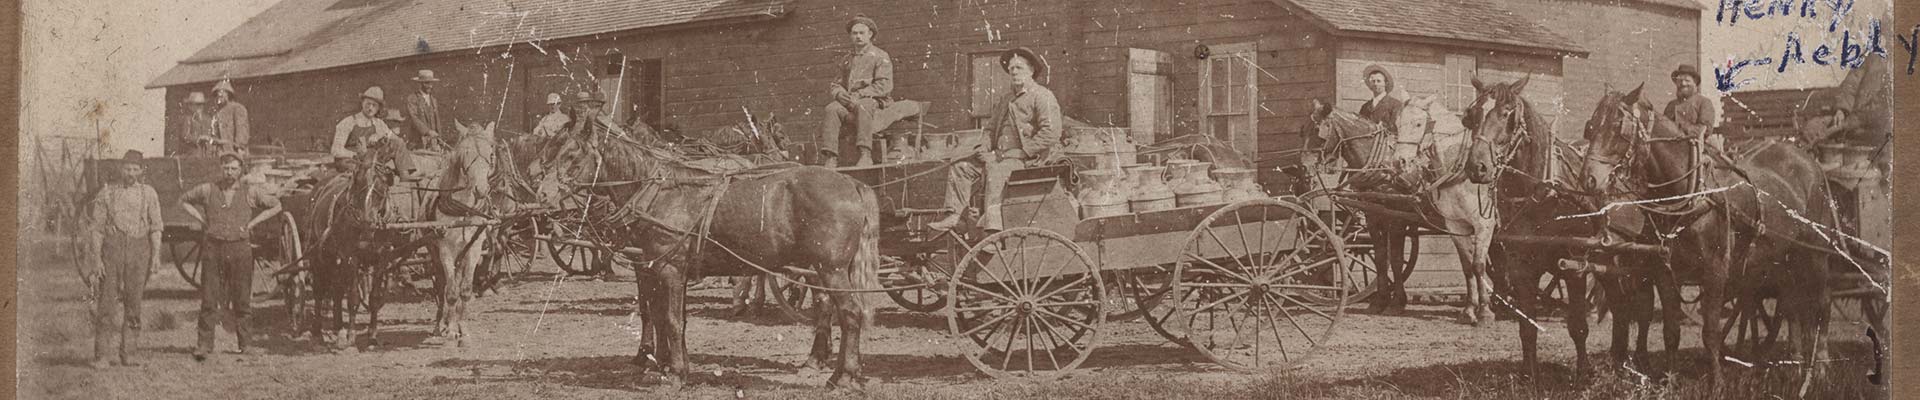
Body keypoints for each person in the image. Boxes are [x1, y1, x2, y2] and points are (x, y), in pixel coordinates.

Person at [928, 47, 1062, 232]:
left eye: (1019, 68)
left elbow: (1051, 132)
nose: (1014, 72)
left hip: (1029, 160)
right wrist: (984, 147)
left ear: (1031, 70)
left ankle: (993, 228)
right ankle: (955, 216)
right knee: (961, 167)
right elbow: (990, 129)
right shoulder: (1006, 99)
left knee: (996, 170)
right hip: (1000, 156)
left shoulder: (1042, 96)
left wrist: (1022, 152)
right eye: (1011, 68)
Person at [181, 153, 283, 362]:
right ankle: (204, 345)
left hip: (240, 249)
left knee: (242, 299)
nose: (229, 172)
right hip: (213, 248)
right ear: (221, 168)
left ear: (240, 170)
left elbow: (276, 205)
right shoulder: (208, 189)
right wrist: (201, 220)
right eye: (226, 168)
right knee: (209, 298)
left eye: (234, 169)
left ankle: (245, 344)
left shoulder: (250, 191)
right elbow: (184, 200)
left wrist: (252, 224)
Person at [86, 150, 164, 369]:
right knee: (106, 304)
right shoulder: (107, 193)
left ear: (141, 171)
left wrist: (156, 255)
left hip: (139, 250)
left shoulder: (149, 193)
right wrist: (97, 260)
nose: (131, 173)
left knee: (134, 303)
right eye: (127, 168)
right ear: (121, 169)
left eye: (135, 169)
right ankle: (102, 356)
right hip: (113, 250)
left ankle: (129, 353)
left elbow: (156, 227)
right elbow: (96, 229)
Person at [819, 15, 895, 167]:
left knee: (863, 105)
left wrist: (860, 95)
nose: (858, 37)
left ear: (870, 34)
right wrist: (839, 94)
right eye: (854, 33)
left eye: (861, 33)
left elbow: (884, 85)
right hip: (849, 101)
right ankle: (831, 156)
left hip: (874, 101)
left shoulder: (880, 56)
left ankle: (865, 153)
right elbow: (836, 84)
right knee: (831, 109)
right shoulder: (847, 59)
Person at [331, 86, 416, 178]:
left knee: (398, 143)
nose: (370, 108)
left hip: (370, 158)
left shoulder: (378, 123)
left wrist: (386, 139)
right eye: (368, 104)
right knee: (364, 172)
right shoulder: (348, 122)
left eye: (374, 105)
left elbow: (395, 139)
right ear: (362, 103)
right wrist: (355, 154)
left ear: (379, 108)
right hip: (351, 160)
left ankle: (405, 177)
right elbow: (335, 150)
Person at [1356, 65, 1412, 162]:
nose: (1376, 84)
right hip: (1367, 149)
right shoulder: (1365, 107)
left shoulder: (1395, 104)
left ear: (1385, 83)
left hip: (1386, 149)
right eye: (1373, 81)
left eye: (1379, 81)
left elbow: (1396, 128)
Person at [1664, 64, 1716, 141]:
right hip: (1672, 145)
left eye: (1687, 80)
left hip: (1696, 145)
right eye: (1680, 81)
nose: (1683, 83)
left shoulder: (1704, 102)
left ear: (1695, 83)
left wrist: (1681, 127)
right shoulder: (1671, 105)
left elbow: (1705, 129)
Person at [405, 69, 448, 150]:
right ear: (420, 84)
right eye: (427, 83)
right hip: (418, 143)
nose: (430, 86)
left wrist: (439, 140)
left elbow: (437, 122)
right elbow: (413, 118)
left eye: (431, 83)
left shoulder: (433, 100)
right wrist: (427, 131)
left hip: (433, 144)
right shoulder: (412, 98)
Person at [210, 80, 252, 154]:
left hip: (235, 151)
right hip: (222, 151)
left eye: (223, 93)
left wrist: (240, 146)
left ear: (228, 94)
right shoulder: (218, 112)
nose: (219, 95)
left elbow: (242, 128)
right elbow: (215, 132)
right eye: (217, 94)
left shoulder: (237, 108)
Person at [171, 92, 217, 156]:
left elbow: (213, 133)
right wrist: (198, 138)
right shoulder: (188, 118)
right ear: (190, 106)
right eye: (197, 104)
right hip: (193, 153)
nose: (200, 107)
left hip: (207, 153)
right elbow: (185, 136)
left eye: (202, 104)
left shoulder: (208, 119)